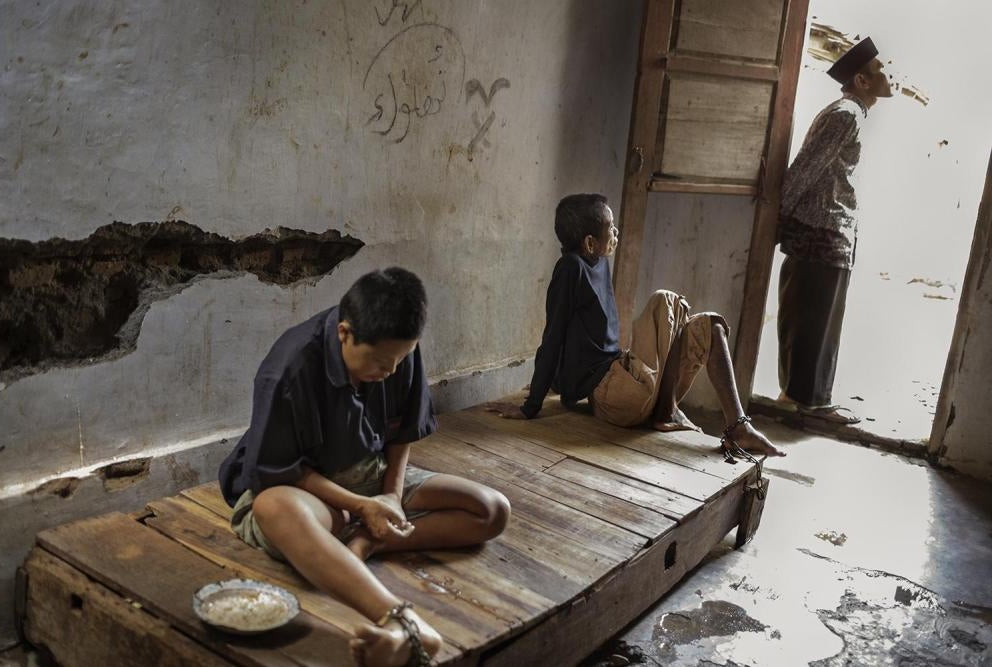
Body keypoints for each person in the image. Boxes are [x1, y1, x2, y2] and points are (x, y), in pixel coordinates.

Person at [218, 267, 511, 667]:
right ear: (344, 333)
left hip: (371, 476)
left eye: (399, 360)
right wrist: (359, 506)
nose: (389, 372)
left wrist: (389, 496)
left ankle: (366, 543)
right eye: (379, 362)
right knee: (273, 509)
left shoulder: (397, 349)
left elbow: (402, 433)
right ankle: (403, 621)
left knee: (491, 510)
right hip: (311, 493)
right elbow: (277, 473)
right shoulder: (288, 370)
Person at [486, 194, 784, 459]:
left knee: (710, 326)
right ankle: (665, 411)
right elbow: (553, 337)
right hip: (612, 394)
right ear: (590, 243)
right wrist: (531, 404)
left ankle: (738, 427)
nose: (616, 233)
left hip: (624, 375)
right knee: (663, 301)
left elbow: (586, 337)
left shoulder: (598, 261)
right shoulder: (571, 269)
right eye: (610, 228)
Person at [776, 37, 893, 424]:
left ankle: (803, 400)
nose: (887, 74)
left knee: (815, 322)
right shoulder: (846, 114)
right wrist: (777, 221)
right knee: (813, 323)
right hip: (820, 233)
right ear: (860, 80)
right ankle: (809, 404)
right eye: (879, 70)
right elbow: (805, 169)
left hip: (827, 233)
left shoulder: (851, 113)